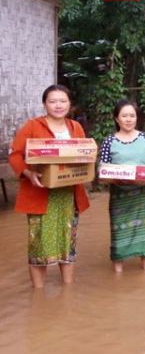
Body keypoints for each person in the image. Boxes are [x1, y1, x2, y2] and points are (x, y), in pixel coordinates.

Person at [9, 85, 91, 288]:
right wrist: (27, 172)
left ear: (70, 104)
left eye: (63, 101)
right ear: (44, 104)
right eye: (53, 101)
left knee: (68, 242)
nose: (58, 105)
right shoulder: (33, 126)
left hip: (68, 194)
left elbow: (84, 154)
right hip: (40, 193)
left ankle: (68, 288)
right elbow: (15, 154)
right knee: (39, 244)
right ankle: (38, 292)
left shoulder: (75, 127)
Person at [100, 100, 145, 272]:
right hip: (118, 195)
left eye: (132, 116)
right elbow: (103, 167)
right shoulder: (109, 142)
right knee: (118, 233)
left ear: (137, 118)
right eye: (124, 116)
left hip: (141, 193)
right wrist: (107, 176)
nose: (128, 119)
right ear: (116, 119)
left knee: (144, 231)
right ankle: (118, 271)